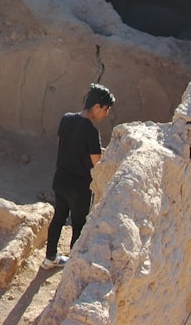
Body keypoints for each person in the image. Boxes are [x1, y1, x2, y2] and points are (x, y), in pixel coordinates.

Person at [42, 83, 115, 270]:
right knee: (78, 223)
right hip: (79, 187)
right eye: (105, 109)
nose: (106, 114)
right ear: (96, 107)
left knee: (58, 217)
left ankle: (50, 257)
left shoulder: (66, 119)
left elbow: (62, 145)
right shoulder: (91, 132)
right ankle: (73, 264)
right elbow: (97, 164)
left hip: (60, 179)